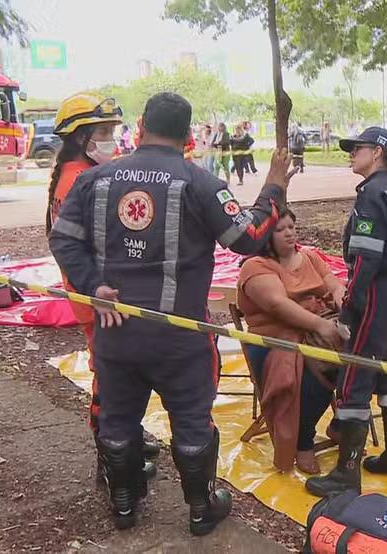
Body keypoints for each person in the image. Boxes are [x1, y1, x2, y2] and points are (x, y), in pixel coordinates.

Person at [49, 92, 294, 534]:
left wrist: (92, 285)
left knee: (117, 417)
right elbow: (249, 237)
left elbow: (62, 238)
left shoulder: (94, 180)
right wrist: (274, 187)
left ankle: (124, 504)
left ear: (141, 127)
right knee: (192, 419)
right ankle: (201, 508)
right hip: (180, 336)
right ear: (187, 135)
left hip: (116, 330)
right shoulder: (202, 183)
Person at [46, 93, 161, 481]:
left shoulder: (75, 173)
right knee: (109, 377)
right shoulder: (80, 180)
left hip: (91, 291)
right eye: (104, 133)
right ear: (81, 138)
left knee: (117, 372)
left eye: (112, 131)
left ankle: (126, 441)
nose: (111, 140)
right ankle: (111, 459)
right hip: (97, 295)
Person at [305, 127, 387, 497]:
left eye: (357, 148)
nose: (351, 153)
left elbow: (366, 257)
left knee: (354, 378)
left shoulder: (372, 193)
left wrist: (351, 302)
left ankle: (346, 473)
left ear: (376, 153)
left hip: (377, 292)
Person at [236, 209, 348, 475]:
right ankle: (303, 440)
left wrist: (341, 298)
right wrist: (321, 326)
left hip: (319, 328)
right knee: (318, 366)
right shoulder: (256, 266)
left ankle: (342, 422)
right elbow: (277, 305)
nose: (289, 233)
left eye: (292, 227)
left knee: (362, 351)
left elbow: (333, 284)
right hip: (275, 339)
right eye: (280, 229)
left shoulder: (309, 257)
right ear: (264, 235)